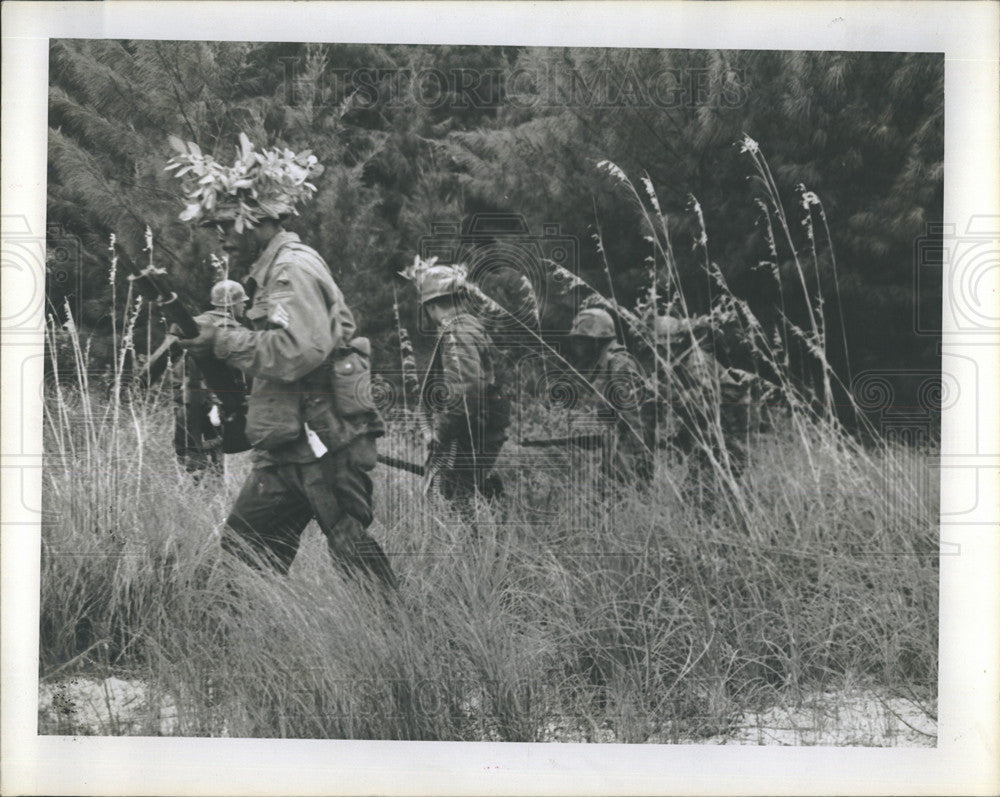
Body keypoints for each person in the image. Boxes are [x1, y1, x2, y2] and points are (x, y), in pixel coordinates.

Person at [170, 136, 396, 590]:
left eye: (225, 226)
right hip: (287, 445)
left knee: (350, 544)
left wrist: (222, 340)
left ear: (255, 219)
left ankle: (404, 641)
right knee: (244, 553)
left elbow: (296, 353)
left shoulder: (293, 269)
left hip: (323, 441)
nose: (219, 240)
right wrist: (215, 340)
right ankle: (233, 651)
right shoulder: (271, 273)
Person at [410, 261, 510, 509]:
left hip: (475, 433)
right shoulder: (468, 327)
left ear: (431, 306)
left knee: (459, 501)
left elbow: (465, 395)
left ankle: (478, 547)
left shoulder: (457, 332)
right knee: (462, 493)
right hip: (479, 429)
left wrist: (440, 435)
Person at [565, 307, 655, 487]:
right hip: (612, 450)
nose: (577, 346)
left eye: (582, 341)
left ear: (598, 341)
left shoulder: (620, 365)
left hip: (627, 454)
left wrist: (634, 463)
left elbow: (635, 420)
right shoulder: (601, 363)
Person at [170, 279, 249, 481]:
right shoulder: (237, 331)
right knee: (219, 456)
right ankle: (213, 495)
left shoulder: (193, 324)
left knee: (191, 458)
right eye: (242, 301)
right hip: (220, 404)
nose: (245, 305)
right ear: (231, 305)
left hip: (187, 400)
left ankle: (197, 492)